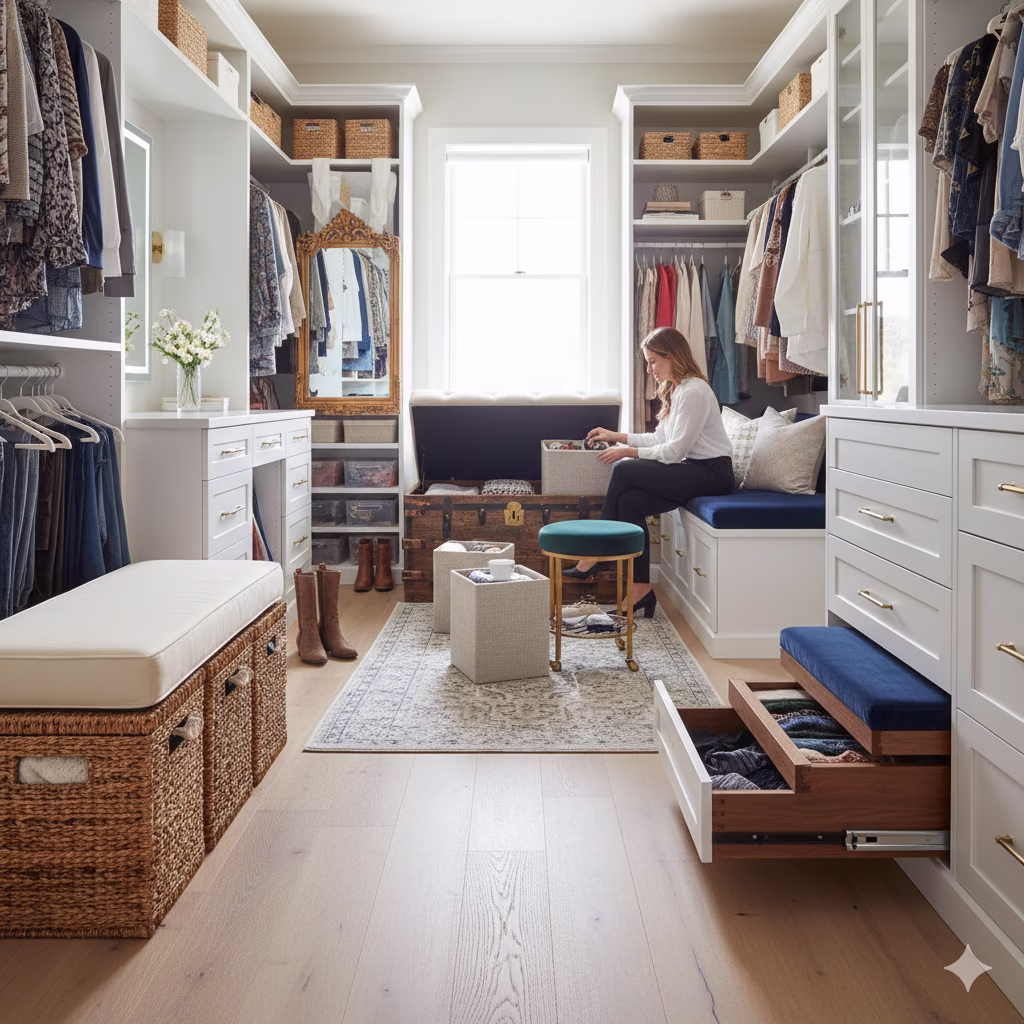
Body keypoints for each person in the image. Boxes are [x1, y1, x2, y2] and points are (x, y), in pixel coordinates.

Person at [564, 326, 734, 617]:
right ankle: (641, 588)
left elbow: (674, 451)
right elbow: (659, 440)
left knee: (623, 469)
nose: (649, 368)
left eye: (653, 360)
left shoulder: (694, 391)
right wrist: (617, 436)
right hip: (693, 471)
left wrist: (627, 452)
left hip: (712, 474)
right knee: (630, 503)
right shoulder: (679, 389)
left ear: (672, 356)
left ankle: (598, 549)